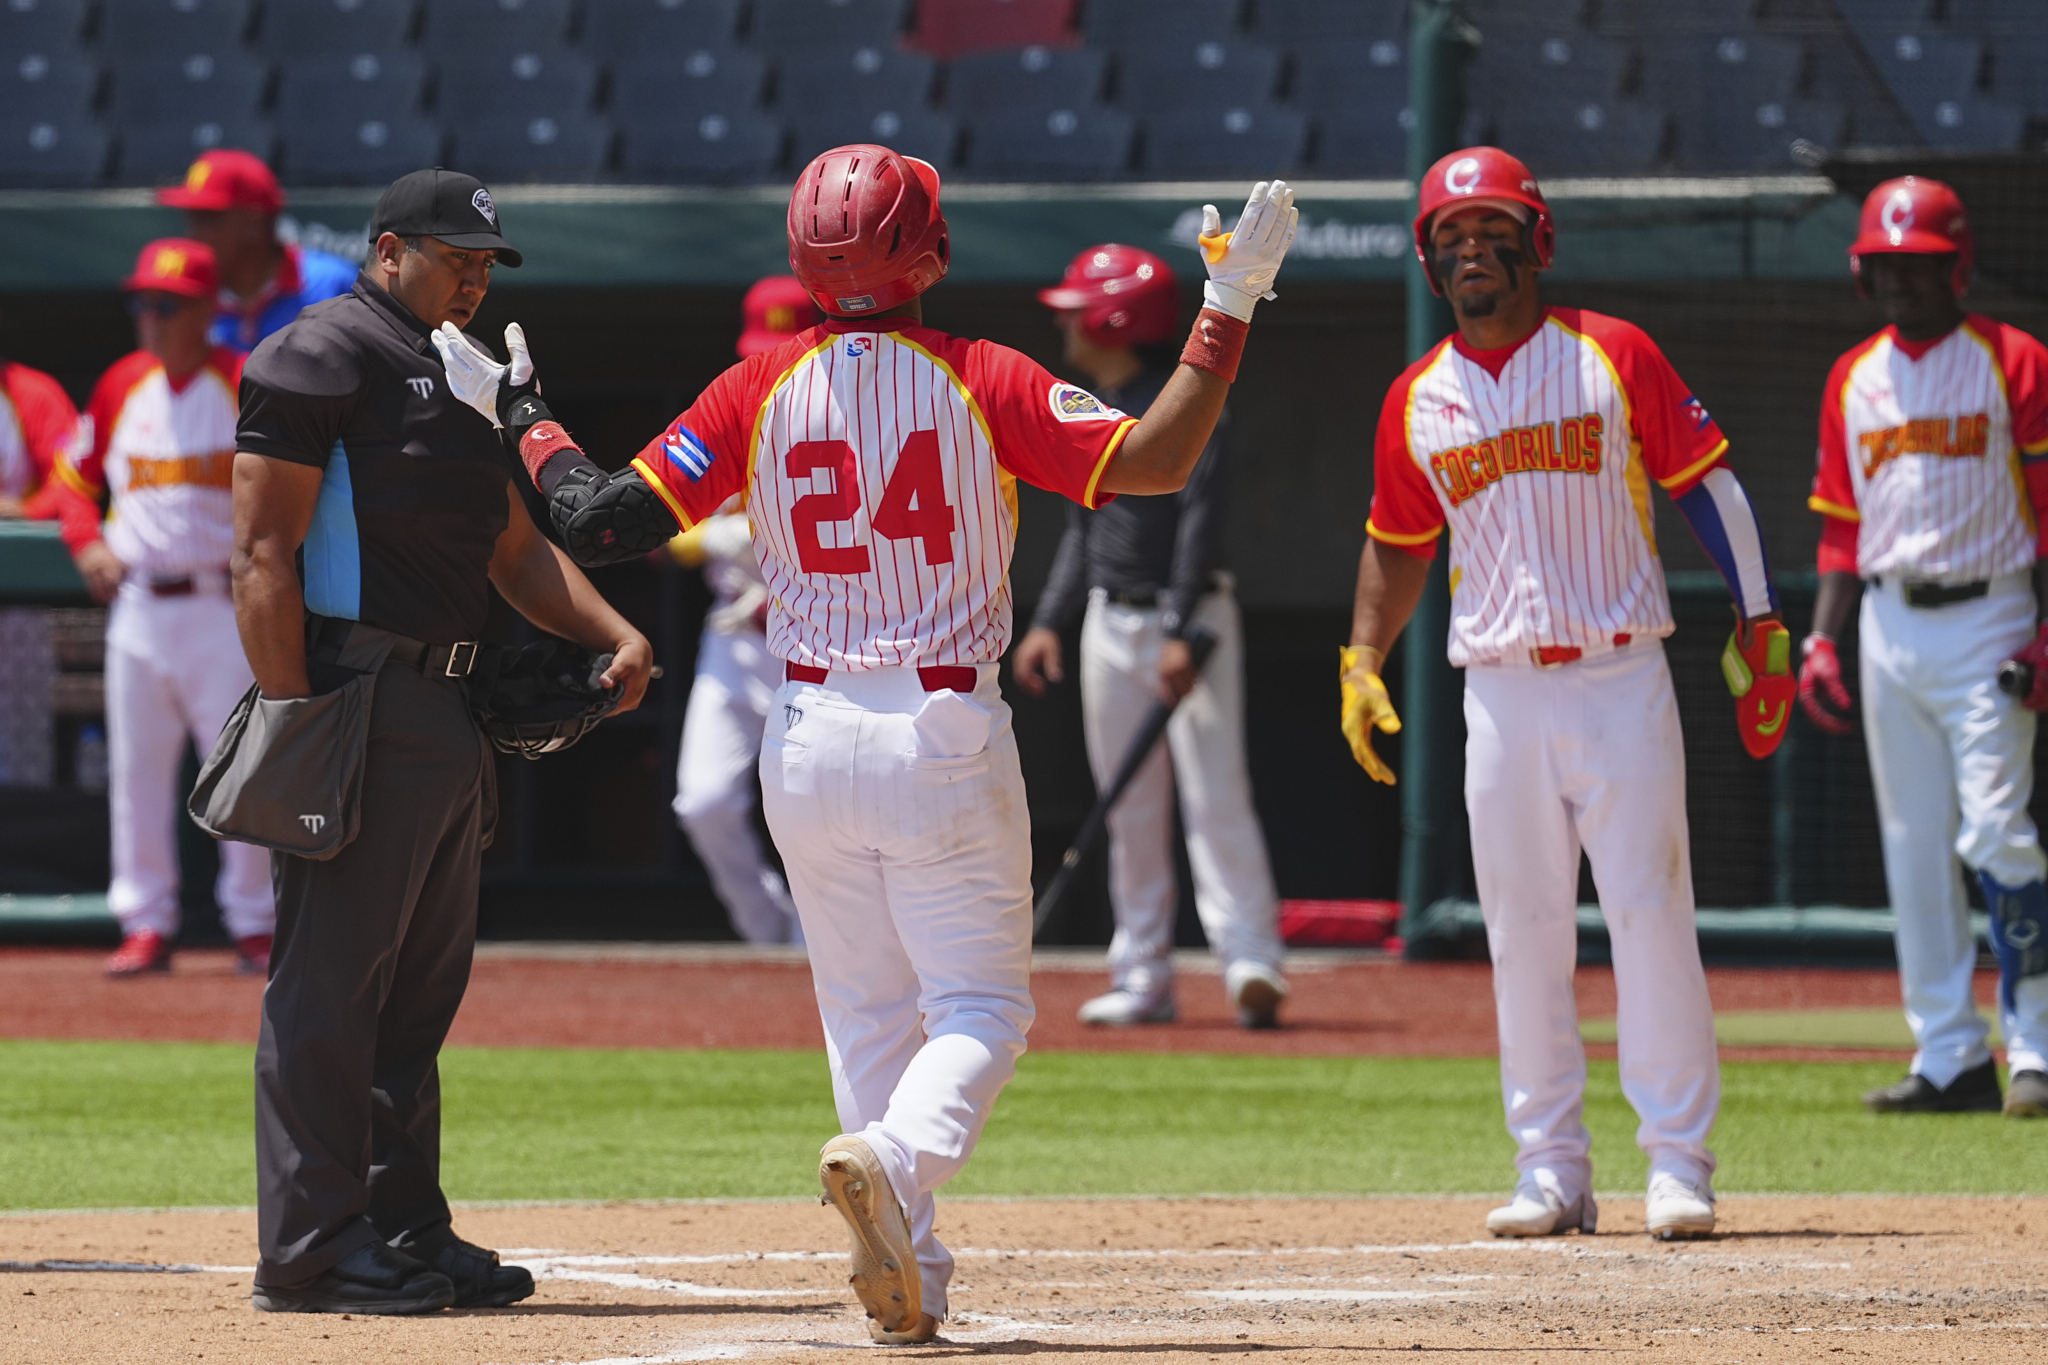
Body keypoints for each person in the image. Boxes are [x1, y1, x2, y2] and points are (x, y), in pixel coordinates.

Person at [433, 144, 1298, 1342]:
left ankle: (914, 1275)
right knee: (984, 1012)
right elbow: (1156, 460)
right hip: (936, 724)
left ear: (801, 258)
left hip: (803, 732)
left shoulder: (756, 385)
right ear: (929, 255)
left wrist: (519, 413)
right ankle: (893, 1162)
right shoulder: (981, 373)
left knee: (866, 1019)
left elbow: (597, 518)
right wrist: (1226, 304)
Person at [230, 168, 654, 1314]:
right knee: (329, 992)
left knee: (416, 995)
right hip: (355, 697)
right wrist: (296, 719)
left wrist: (614, 630)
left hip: (448, 712)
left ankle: (403, 1226)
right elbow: (262, 556)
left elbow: (513, 552)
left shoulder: (463, 371)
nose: (474, 278)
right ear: (386, 251)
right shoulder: (317, 356)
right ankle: (311, 1249)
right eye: (454, 256)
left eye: (484, 263)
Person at [1341, 148, 1781, 1242]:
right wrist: (1359, 658)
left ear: (1534, 239)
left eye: (1491, 228)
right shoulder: (1416, 397)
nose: (1469, 250)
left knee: (1647, 916)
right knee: (1521, 931)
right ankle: (1549, 1168)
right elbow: (1396, 544)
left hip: (1618, 673)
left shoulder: (1609, 352)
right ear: (1428, 262)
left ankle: (1677, 1164)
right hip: (1495, 693)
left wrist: (1759, 620)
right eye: (1448, 236)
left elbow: (1707, 485)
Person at [1797, 177, 2048, 1121]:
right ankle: (1949, 1055)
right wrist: (1823, 636)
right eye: (1886, 265)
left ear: (1958, 267)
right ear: (1864, 271)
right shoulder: (1852, 376)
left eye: (1921, 265)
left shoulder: (2015, 361)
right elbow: (1838, 525)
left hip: (1992, 614)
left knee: (1996, 830)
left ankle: (2035, 1044)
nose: (1902, 281)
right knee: (1911, 848)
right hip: (1887, 619)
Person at [1012, 244, 1288, 1029]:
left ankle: (1250, 958)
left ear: (1116, 317)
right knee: (1127, 802)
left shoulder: (1187, 402)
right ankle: (1142, 972)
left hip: (1192, 619)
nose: (1066, 325)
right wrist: (1047, 622)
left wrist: (1175, 626)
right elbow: (1080, 530)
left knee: (1213, 792)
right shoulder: (1086, 406)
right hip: (1109, 616)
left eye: (1079, 311)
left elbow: (1200, 524)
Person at [33, 240, 274, 976]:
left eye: (167, 305)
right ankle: (144, 920)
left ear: (207, 310)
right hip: (138, 605)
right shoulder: (120, 385)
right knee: (136, 775)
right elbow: (71, 481)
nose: (151, 318)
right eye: (142, 303)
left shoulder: (244, 380)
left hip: (220, 603)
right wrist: (85, 544)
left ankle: (256, 922)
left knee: (242, 772)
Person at [662, 276, 816, 946]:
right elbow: (661, 521)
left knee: (819, 814)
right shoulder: (726, 413)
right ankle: (766, 935)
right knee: (703, 801)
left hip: (815, 639)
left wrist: (757, 533)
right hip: (735, 633)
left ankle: (821, 945)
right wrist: (712, 535)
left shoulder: (850, 419)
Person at [157, 149, 357, 354]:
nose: (193, 235)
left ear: (253, 224)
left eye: (207, 219)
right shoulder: (188, 303)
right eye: (191, 220)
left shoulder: (333, 285)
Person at [0, 319, 81, 788]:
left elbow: (73, 476)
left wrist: (27, 509)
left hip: (16, 603)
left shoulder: (29, 391)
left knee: (18, 744)